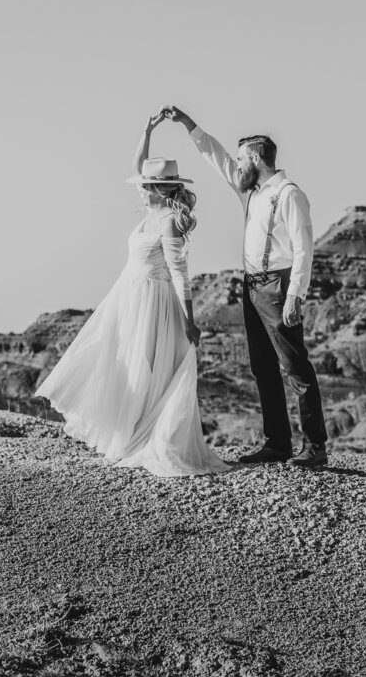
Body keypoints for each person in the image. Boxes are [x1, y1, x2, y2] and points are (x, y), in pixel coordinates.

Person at [34, 112, 229, 478]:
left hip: (154, 303)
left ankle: (145, 438)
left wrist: (190, 321)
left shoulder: (168, 220)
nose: (141, 187)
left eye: (147, 184)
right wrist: (147, 130)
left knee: (145, 369)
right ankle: (126, 436)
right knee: (121, 362)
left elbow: (179, 274)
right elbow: (137, 165)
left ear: (158, 188)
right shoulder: (149, 212)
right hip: (130, 297)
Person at [162, 105, 328, 469]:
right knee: (262, 368)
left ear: (255, 157)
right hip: (251, 287)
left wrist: (295, 295)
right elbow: (216, 156)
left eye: (241, 159)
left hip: (278, 286)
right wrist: (188, 124)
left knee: (295, 367)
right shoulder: (249, 191)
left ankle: (315, 446)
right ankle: (277, 443)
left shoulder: (289, 194)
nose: (236, 166)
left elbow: (304, 248)